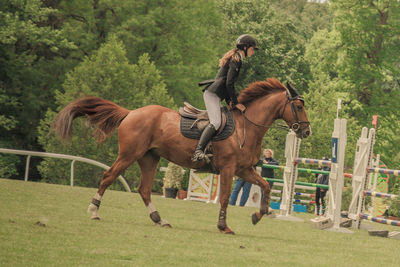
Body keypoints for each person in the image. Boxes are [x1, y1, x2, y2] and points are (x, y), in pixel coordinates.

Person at [192, 34, 258, 162]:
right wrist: (235, 102)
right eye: (252, 48)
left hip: (217, 95)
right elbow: (229, 83)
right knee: (216, 122)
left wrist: (229, 102)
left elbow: (227, 84)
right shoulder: (236, 60)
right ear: (245, 47)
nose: (253, 51)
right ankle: (198, 151)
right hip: (212, 95)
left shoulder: (237, 59)